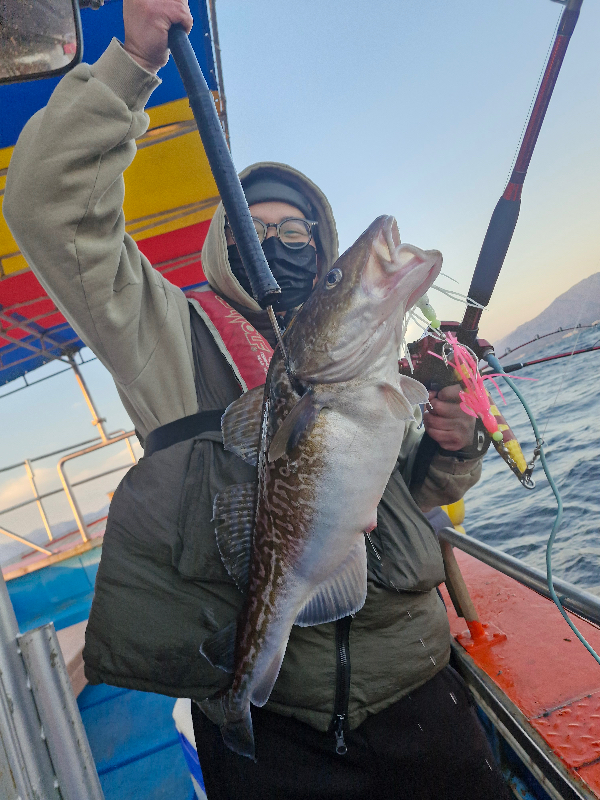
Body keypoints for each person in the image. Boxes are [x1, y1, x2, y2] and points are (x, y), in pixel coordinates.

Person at [4, 1, 510, 797]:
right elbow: (48, 205)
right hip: (277, 737)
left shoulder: (368, 363)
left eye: (299, 235)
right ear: (223, 245)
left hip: (420, 689)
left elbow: (410, 494)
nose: (277, 244)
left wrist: (453, 447)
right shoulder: (167, 334)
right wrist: (132, 62)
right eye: (253, 230)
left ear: (324, 248)